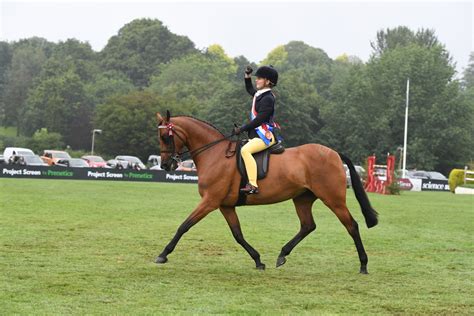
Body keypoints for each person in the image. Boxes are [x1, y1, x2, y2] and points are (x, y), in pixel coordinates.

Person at [233, 65, 279, 194]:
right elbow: (249, 89)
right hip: (256, 135)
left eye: (259, 78)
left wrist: (242, 128)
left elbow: (259, 120)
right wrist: (247, 76)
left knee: (245, 150)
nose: (256, 80)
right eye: (256, 78)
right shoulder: (259, 95)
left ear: (268, 81)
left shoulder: (268, 98)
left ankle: (253, 185)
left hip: (265, 136)